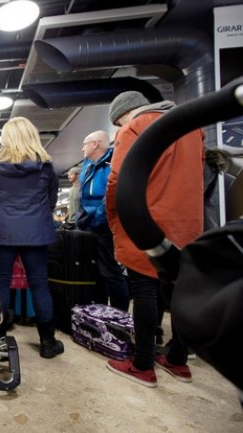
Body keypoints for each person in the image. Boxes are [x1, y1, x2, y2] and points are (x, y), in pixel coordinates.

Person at [105, 91, 204, 387]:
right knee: (179, 293)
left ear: (125, 113)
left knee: (144, 289)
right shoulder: (192, 126)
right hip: (187, 223)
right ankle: (177, 359)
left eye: (118, 121)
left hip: (147, 219)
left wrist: (113, 216)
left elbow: (117, 181)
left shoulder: (134, 126)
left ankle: (143, 364)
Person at [0, 116, 64, 359]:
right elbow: (51, 201)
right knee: (39, 284)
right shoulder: (46, 167)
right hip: (35, 232)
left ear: (7, 139)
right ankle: (48, 342)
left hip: (3, 231)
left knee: (1, 282)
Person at [75, 130, 129, 311]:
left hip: (105, 226)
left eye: (85, 144)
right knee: (96, 272)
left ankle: (119, 316)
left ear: (95, 144)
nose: (82, 148)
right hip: (88, 226)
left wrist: (95, 219)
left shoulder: (112, 163)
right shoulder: (88, 166)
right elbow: (83, 197)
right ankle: (100, 312)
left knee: (111, 271)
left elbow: (111, 196)